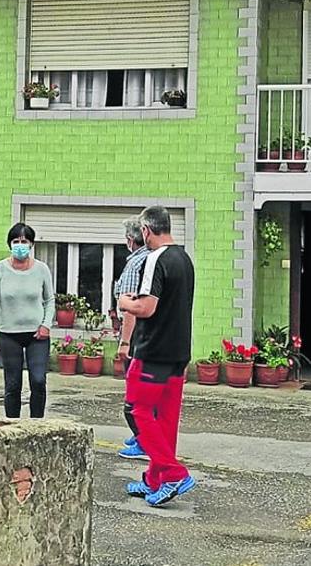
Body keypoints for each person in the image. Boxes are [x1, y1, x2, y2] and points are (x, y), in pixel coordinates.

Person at [118, 205, 196, 507]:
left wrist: (125, 302)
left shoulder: (155, 259)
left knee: (139, 411)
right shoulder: (185, 259)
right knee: (165, 420)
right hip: (179, 352)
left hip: (153, 351)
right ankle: (155, 478)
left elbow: (147, 307)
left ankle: (174, 473)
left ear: (147, 231)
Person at [0, 222, 55, 419]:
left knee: (38, 381)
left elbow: (50, 300)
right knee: (13, 384)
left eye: (24, 241)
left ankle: (37, 425)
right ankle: (12, 426)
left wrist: (46, 325)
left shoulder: (41, 269)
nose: (20, 245)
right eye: (16, 241)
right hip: (8, 334)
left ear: (31, 244)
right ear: (10, 244)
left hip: (36, 335)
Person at [112, 216, 152, 461]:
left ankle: (143, 438)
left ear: (130, 240)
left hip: (136, 334)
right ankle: (141, 436)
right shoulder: (150, 259)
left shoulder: (137, 262)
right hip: (145, 333)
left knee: (135, 392)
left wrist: (124, 342)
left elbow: (130, 307)